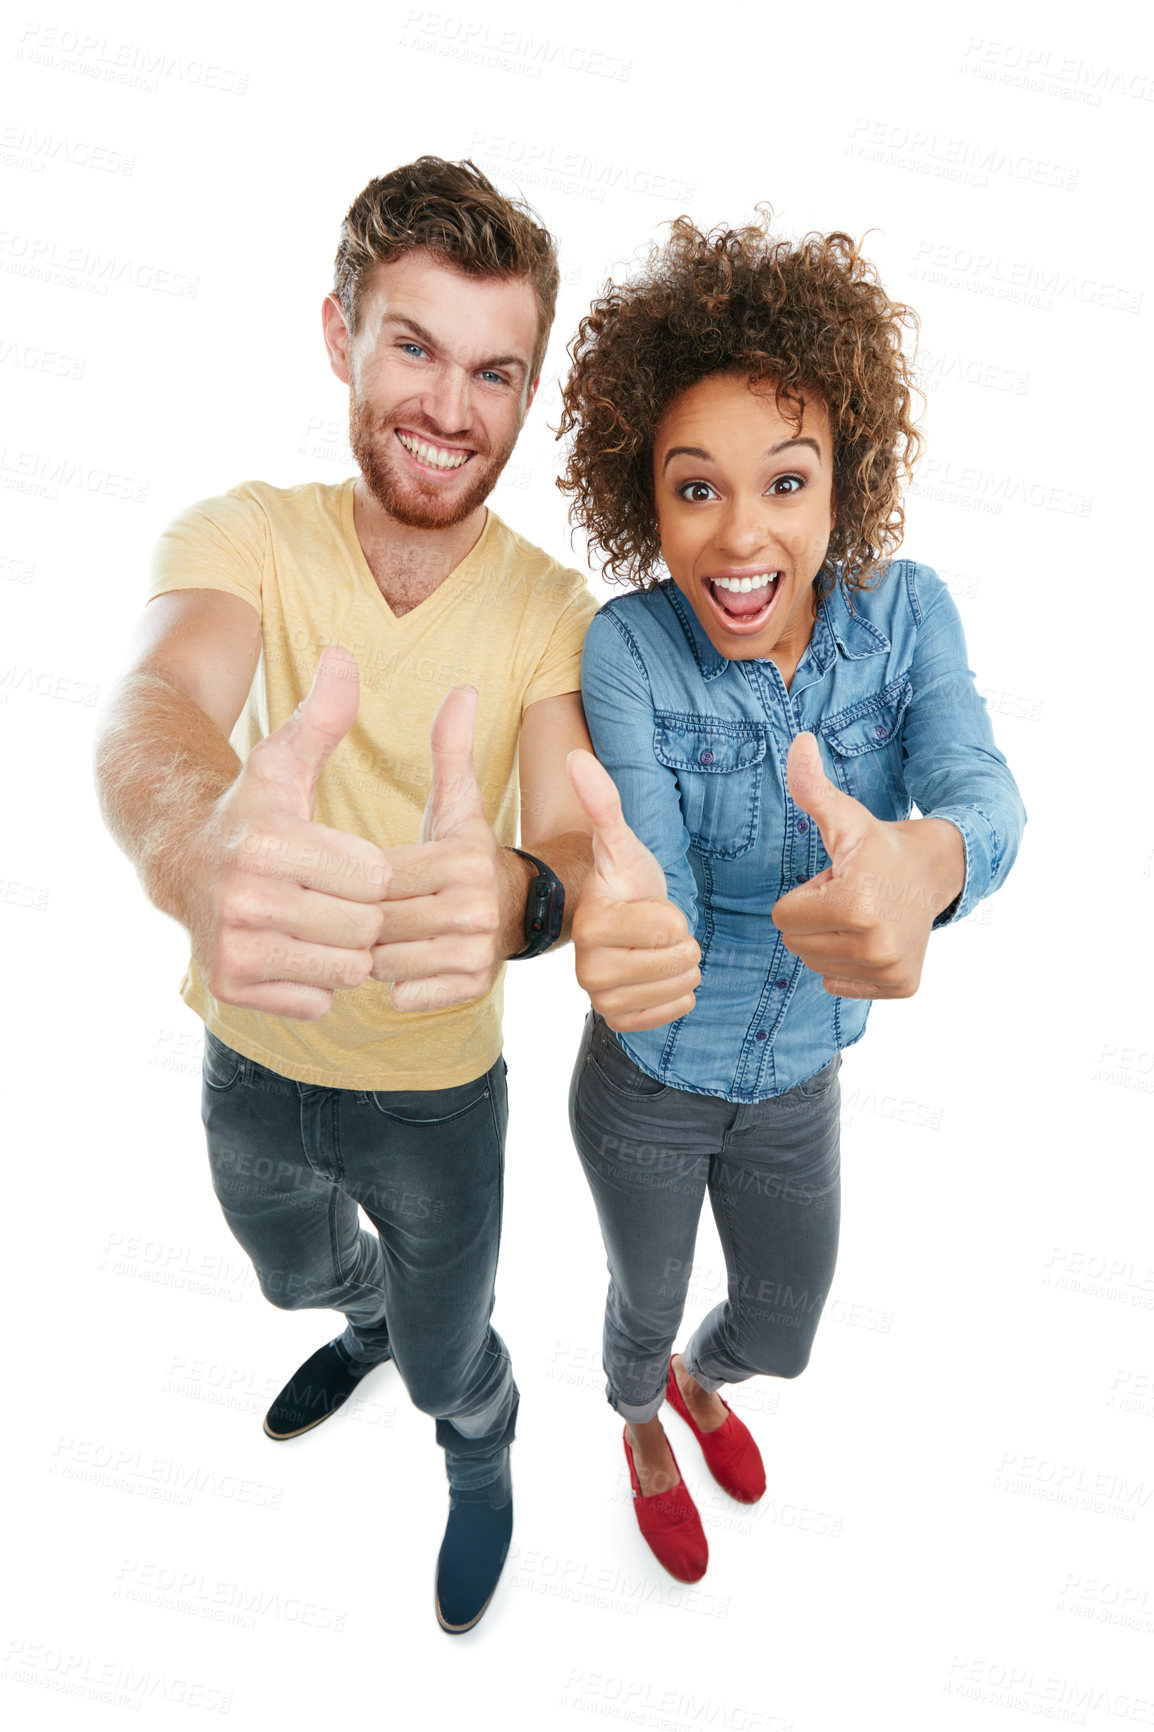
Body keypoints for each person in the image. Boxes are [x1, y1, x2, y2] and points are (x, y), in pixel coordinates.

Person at [93, 157, 602, 1634]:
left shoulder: (553, 612)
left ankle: (479, 1445)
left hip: (437, 1098)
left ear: (526, 391)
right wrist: (191, 850)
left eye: (495, 372)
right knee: (291, 1280)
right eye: (414, 347)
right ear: (340, 335)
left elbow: (572, 828)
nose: (452, 408)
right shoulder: (243, 534)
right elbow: (154, 706)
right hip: (250, 1059)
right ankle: (365, 1327)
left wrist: (520, 894)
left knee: (452, 1361)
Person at [557, 214, 1026, 1582]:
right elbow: (654, 867)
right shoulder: (628, 649)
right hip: (646, 1080)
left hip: (796, 1083)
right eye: (694, 488)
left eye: (784, 481)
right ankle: (645, 1422)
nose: (741, 534)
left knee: (782, 1322)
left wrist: (925, 864)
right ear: (643, 497)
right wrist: (622, 904)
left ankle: (710, 1388)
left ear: (843, 487)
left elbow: (981, 794)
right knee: (641, 1307)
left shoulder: (908, 618)